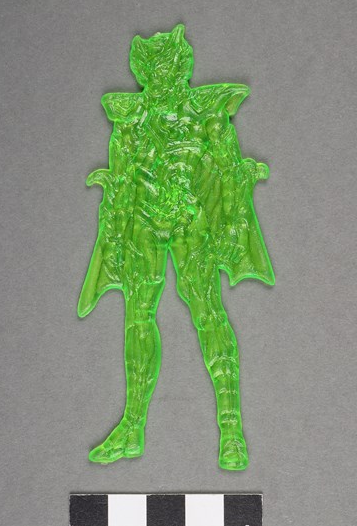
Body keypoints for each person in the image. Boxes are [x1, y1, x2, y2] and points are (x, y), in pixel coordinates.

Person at [78, 24, 274, 470]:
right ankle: (132, 426)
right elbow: (121, 183)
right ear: (144, 74)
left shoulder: (207, 114)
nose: (162, 80)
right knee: (138, 315)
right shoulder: (130, 119)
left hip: (191, 220)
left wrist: (235, 222)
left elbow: (229, 172)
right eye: (153, 72)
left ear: (181, 69)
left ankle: (231, 429)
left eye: (167, 70)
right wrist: (113, 236)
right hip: (144, 224)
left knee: (207, 311)